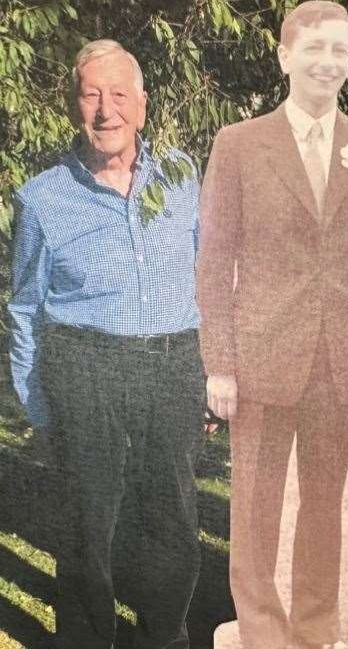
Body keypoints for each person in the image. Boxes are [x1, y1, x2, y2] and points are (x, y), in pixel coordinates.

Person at [197, 0, 348, 649]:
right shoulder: (240, 143)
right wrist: (219, 363)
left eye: (340, 50)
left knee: (324, 506)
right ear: (284, 57)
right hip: (261, 357)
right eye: (314, 49)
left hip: (340, 358)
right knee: (255, 510)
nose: (328, 63)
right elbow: (214, 260)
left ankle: (313, 631)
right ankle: (262, 632)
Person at [8, 39, 206, 649]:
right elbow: (23, 308)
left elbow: (209, 274)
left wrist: (211, 374)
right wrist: (38, 407)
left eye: (118, 94)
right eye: (91, 94)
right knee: (88, 522)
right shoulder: (41, 198)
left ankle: (164, 635)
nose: (105, 110)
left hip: (173, 364)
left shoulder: (181, 177)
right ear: (73, 106)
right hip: (85, 367)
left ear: (142, 106)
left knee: (172, 518)